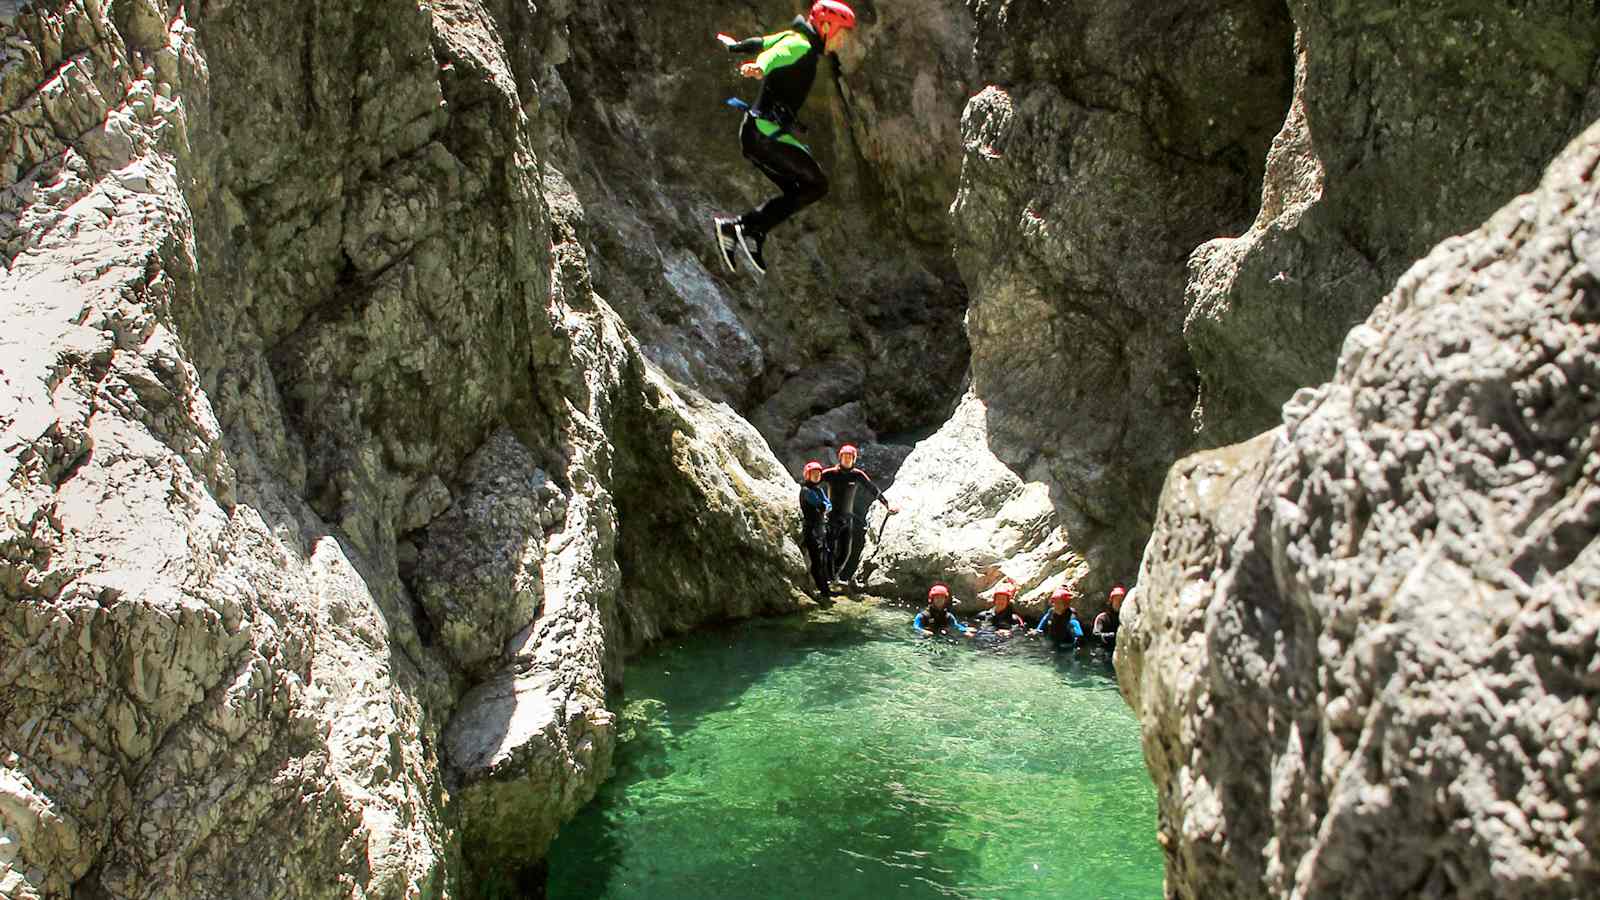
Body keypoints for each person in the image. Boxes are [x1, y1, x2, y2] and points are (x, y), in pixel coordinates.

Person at [712, 1, 858, 275]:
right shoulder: (799, 45)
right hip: (764, 137)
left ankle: (739, 229)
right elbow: (773, 55)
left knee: (802, 189)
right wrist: (759, 67)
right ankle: (750, 229)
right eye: (841, 34)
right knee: (815, 185)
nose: (841, 42)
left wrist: (735, 46)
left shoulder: (796, 38)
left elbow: (762, 42)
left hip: (761, 134)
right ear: (825, 26)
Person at [820, 443, 896, 588]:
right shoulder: (830, 473)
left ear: (854, 459)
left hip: (847, 518)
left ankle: (834, 576)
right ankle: (828, 579)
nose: (847, 459)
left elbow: (872, 489)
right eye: (844, 457)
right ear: (840, 458)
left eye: (850, 457)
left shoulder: (857, 475)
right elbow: (814, 482)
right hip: (832, 517)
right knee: (829, 549)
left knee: (845, 552)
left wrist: (887, 504)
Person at [798, 461, 833, 598]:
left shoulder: (819, 490)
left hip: (819, 528)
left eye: (818, 474)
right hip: (811, 529)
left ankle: (825, 588)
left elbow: (828, 505)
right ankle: (823, 590)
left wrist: (824, 506)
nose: (817, 476)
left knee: (823, 559)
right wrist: (824, 506)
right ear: (808, 475)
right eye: (814, 474)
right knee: (817, 560)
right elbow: (821, 505)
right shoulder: (806, 491)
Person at [1093, 585, 1125, 653]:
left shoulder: (1126, 618)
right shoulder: (1102, 618)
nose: (1119, 602)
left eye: (1121, 600)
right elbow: (1096, 635)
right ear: (1111, 601)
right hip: (1105, 650)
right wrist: (1113, 635)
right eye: (1117, 599)